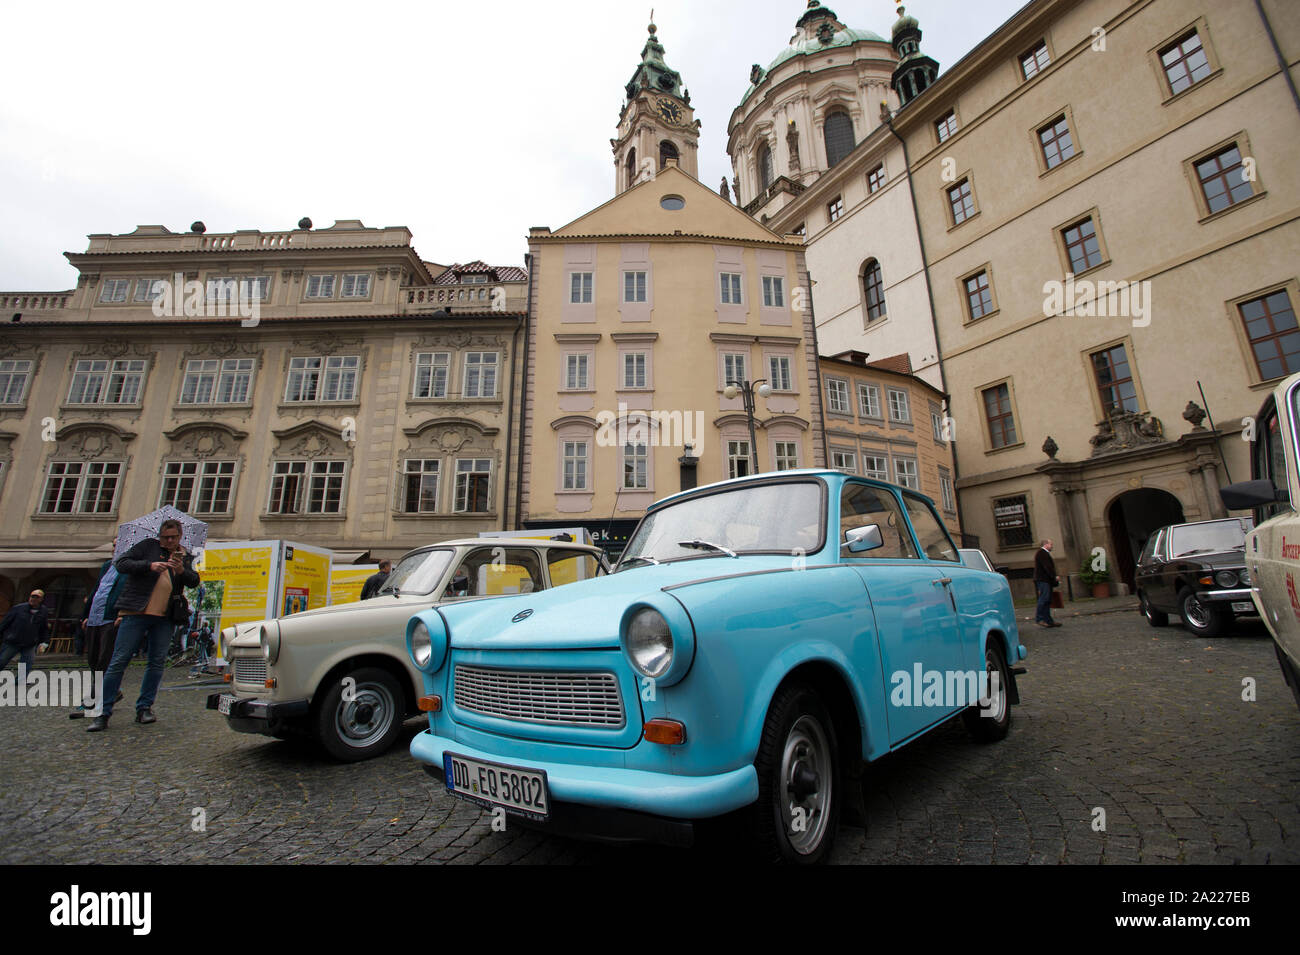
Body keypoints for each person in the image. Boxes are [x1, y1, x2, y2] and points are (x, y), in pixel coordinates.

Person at [87, 520, 199, 731]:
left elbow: (194, 581)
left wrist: (182, 571)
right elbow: (122, 563)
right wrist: (149, 565)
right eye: (166, 537)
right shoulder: (147, 546)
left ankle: (144, 708)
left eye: (173, 537)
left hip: (165, 617)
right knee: (118, 661)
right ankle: (103, 712)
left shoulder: (185, 556)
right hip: (136, 612)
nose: (169, 541)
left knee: (156, 663)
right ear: (160, 535)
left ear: (180, 536)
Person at [0, 590, 51, 679]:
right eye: (32, 596)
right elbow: (5, 623)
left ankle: (20, 681)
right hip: (13, 641)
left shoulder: (43, 611)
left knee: (26, 663)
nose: (33, 599)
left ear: (41, 599)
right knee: (2, 660)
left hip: (30, 643)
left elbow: (44, 628)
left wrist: (45, 642)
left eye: (37, 597)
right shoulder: (18, 608)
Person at [1034, 538, 1062, 628]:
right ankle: (1040, 618)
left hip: (1046, 580)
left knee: (1047, 600)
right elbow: (1047, 567)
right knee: (1044, 599)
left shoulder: (1044, 553)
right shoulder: (1042, 553)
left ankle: (1048, 620)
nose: (1052, 546)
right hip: (1043, 580)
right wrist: (1054, 576)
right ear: (1046, 544)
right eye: (1051, 544)